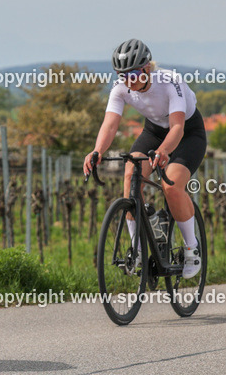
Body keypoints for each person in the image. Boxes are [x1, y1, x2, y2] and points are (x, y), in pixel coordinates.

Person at [82, 39, 207, 279]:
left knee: (171, 185)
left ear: (147, 68)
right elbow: (109, 126)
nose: (128, 80)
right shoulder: (120, 89)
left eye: (133, 74)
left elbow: (178, 127)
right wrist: (97, 151)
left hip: (187, 133)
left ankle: (192, 247)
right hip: (153, 132)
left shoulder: (170, 81)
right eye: (122, 75)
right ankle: (137, 249)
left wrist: (164, 151)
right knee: (130, 177)